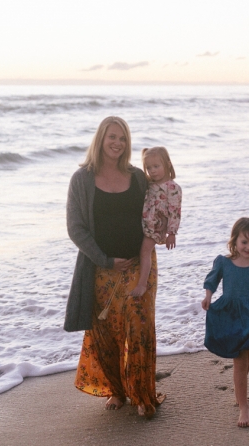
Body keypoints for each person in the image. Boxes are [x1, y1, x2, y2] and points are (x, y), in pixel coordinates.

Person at [64, 116, 164, 418]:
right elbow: (76, 228)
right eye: (112, 137)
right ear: (100, 139)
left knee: (140, 329)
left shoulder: (137, 177)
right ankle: (118, 392)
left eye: (122, 138)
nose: (117, 143)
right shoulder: (81, 179)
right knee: (106, 332)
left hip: (139, 266)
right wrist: (105, 259)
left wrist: (166, 229)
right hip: (101, 268)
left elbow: (160, 204)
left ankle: (144, 395)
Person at [201, 217, 249, 428]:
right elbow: (211, 281)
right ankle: (243, 406)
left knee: (247, 357)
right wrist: (208, 297)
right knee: (241, 361)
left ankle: (239, 392)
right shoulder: (224, 262)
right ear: (234, 240)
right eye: (244, 242)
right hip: (229, 313)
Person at [131, 147, 182, 298]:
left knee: (144, 252)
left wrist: (171, 233)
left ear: (167, 164)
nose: (152, 171)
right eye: (148, 168)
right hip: (145, 221)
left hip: (156, 225)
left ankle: (142, 284)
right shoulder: (150, 184)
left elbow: (175, 212)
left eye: (156, 166)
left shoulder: (172, 188)